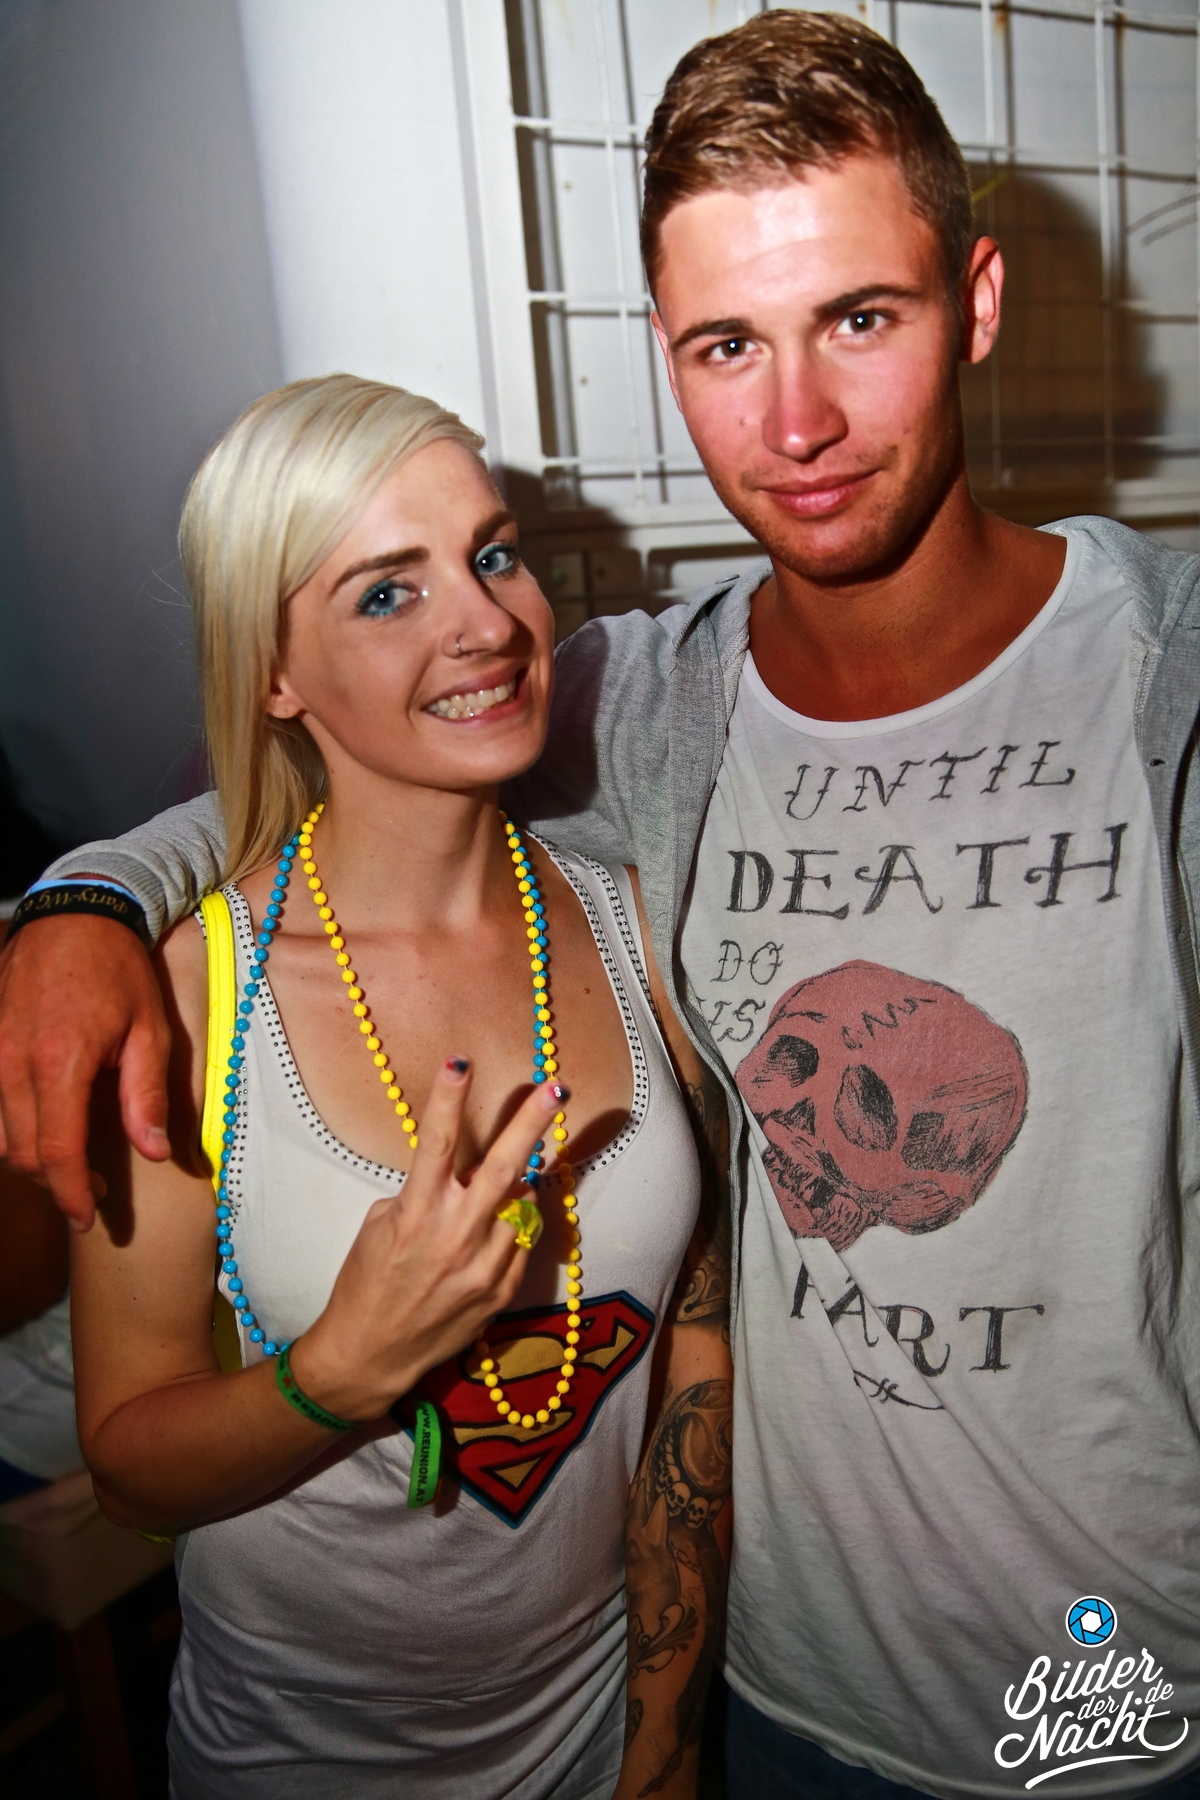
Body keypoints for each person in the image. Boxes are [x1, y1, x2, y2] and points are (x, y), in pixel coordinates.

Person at [1, 10, 1198, 1797]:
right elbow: (343, 761)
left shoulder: (1173, 682)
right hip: (782, 1684)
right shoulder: (647, 710)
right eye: (729, 345)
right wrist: (81, 905)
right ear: (667, 354)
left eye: (860, 319)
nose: (796, 421)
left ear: (978, 302)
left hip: (1124, 1677)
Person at [54, 375, 730, 1799]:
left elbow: (694, 1348)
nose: (487, 623)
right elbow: (128, 1462)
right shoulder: (191, 996)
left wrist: (664, 1737)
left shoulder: (633, 925)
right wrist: (335, 1375)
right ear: (273, 674)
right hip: (296, 1760)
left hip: (600, 1728)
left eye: (492, 555)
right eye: (385, 593)